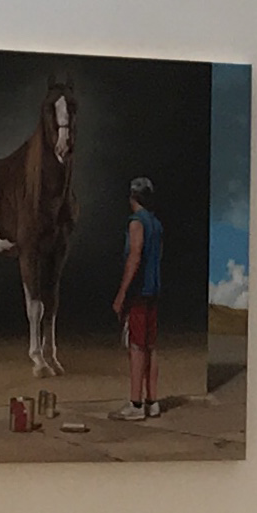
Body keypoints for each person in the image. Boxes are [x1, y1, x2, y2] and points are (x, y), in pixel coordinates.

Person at [113, 172, 165, 420]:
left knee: (135, 347)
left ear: (132, 196)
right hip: (154, 290)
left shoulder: (136, 223)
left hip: (139, 293)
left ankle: (135, 404)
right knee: (150, 346)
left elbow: (134, 257)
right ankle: (152, 401)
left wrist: (122, 294)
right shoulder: (156, 223)